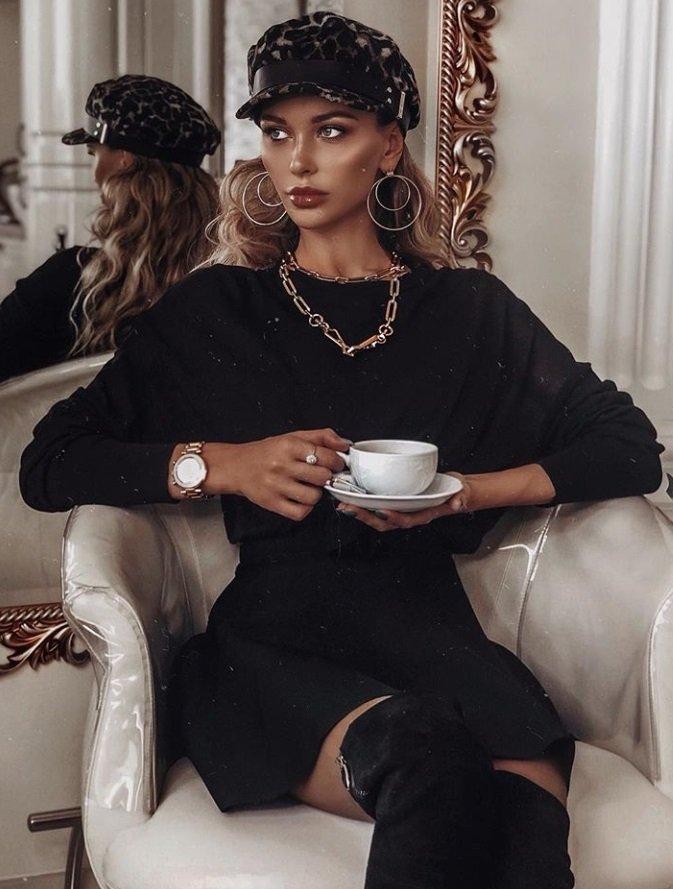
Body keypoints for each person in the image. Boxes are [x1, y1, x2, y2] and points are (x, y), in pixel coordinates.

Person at [18, 11, 665, 889]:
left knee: (526, 840)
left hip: (438, 635)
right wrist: (221, 464)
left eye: (331, 131)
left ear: (387, 147)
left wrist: (466, 491)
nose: (297, 162)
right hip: (275, 644)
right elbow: (50, 459)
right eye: (277, 132)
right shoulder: (217, 311)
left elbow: (627, 446)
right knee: (431, 759)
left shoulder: (467, 310)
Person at [0, 74, 221, 383]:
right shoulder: (227, 286)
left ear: (123, 161)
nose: (95, 175)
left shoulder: (68, 280)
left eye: (94, 153)